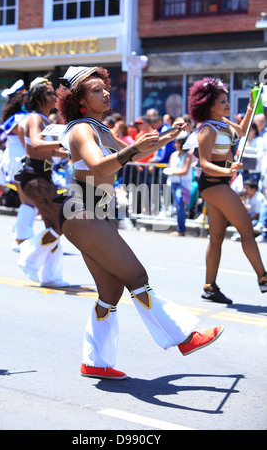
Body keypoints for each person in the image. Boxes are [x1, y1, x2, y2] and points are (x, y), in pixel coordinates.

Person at [55, 65, 224, 380]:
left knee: (110, 291)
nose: (105, 93)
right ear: (80, 99)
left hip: (97, 210)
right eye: (95, 90)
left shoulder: (103, 129)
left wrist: (169, 137)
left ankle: (94, 361)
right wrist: (132, 148)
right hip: (82, 209)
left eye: (105, 88)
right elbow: (98, 163)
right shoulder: (81, 128)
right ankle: (184, 337)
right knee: (136, 275)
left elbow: (137, 154)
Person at [188, 77, 267, 305]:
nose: (227, 103)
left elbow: (242, 132)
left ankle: (209, 287)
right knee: (247, 229)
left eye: (226, 100)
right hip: (213, 184)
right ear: (209, 105)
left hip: (221, 183)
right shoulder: (207, 129)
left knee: (217, 238)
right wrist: (228, 171)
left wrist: (252, 104)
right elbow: (203, 163)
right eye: (222, 101)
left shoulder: (223, 123)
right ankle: (263, 277)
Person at [16, 76, 70, 287]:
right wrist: (66, 140)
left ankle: (50, 276)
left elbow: (49, 150)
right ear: (38, 96)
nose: (54, 95)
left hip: (44, 175)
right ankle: (27, 257)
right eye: (49, 92)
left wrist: (69, 153)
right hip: (35, 175)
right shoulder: (35, 118)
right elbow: (36, 144)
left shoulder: (46, 120)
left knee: (53, 225)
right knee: (59, 223)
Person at [0, 79, 38, 240]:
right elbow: (26, 144)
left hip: (14, 159)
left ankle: (20, 232)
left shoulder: (16, 117)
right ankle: (21, 236)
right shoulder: (20, 118)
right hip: (20, 160)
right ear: (19, 98)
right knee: (29, 200)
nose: (28, 98)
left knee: (27, 200)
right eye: (25, 95)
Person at [163, 131, 193, 236]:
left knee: (180, 205)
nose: (175, 145)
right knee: (178, 206)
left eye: (177, 142)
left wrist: (172, 172)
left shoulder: (188, 156)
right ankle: (180, 228)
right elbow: (171, 167)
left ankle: (181, 229)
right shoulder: (174, 155)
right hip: (173, 182)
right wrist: (171, 171)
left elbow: (184, 171)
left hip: (183, 184)